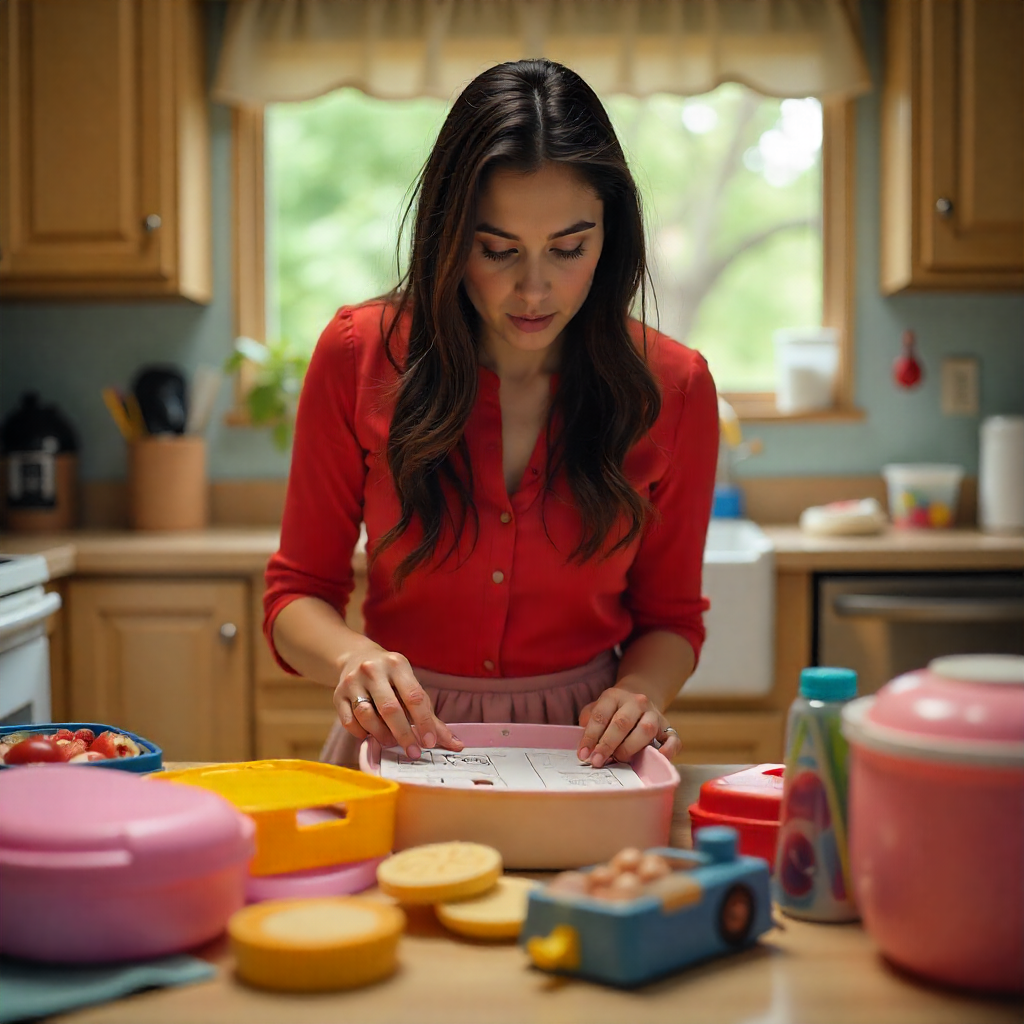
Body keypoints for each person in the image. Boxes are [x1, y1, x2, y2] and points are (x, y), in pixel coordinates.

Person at [264, 58, 719, 772]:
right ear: (449, 238)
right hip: (403, 746)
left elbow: (670, 620)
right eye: (497, 249)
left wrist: (640, 692)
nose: (533, 288)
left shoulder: (676, 387)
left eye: (569, 248)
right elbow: (295, 597)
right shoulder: (357, 355)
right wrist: (354, 659)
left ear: (611, 236)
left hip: (584, 753)